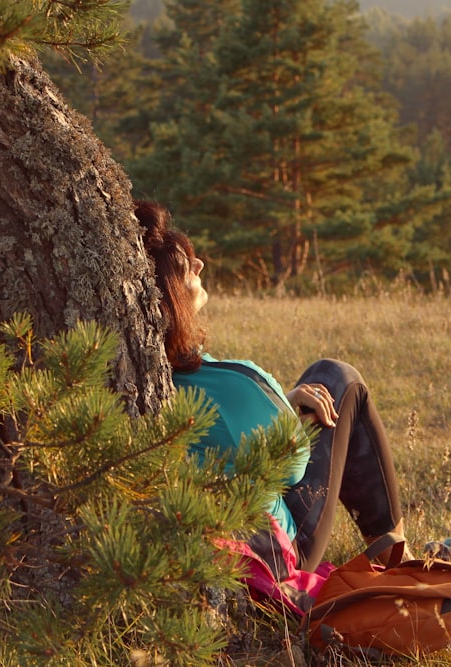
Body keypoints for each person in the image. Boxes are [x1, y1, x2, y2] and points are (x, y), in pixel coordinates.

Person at [134, 200, 407, 578]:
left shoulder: (157, 378)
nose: (200, 266)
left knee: (318, 391)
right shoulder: (231, 382)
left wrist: (288, 401)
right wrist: (290, 411)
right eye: (187, 266)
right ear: (172, 296)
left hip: (212, 539)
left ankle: (390, 547)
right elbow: (293, 466)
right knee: (339, 378)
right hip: (277, 551)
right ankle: (393, 549)